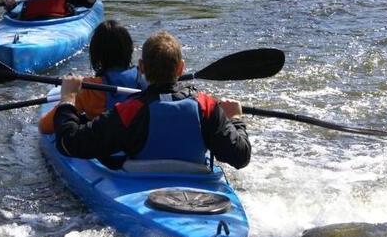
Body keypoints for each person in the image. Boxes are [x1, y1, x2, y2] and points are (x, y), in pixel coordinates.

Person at [53, 31, 251, 169]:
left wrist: (68, 98)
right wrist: (234, 119)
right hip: (196, 182)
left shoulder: (128, 112)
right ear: (181, 68)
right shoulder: (207, 107)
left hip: (138, 181)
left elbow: (68, 144)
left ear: (141, 67)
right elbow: (241, 158)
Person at [38, 20, 144, 134]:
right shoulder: (145, 78)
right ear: (130, 49)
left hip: (103, 144)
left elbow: (45, 126)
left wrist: (68, 96)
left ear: (96, 55)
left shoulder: (89, 89)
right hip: (138, 142)